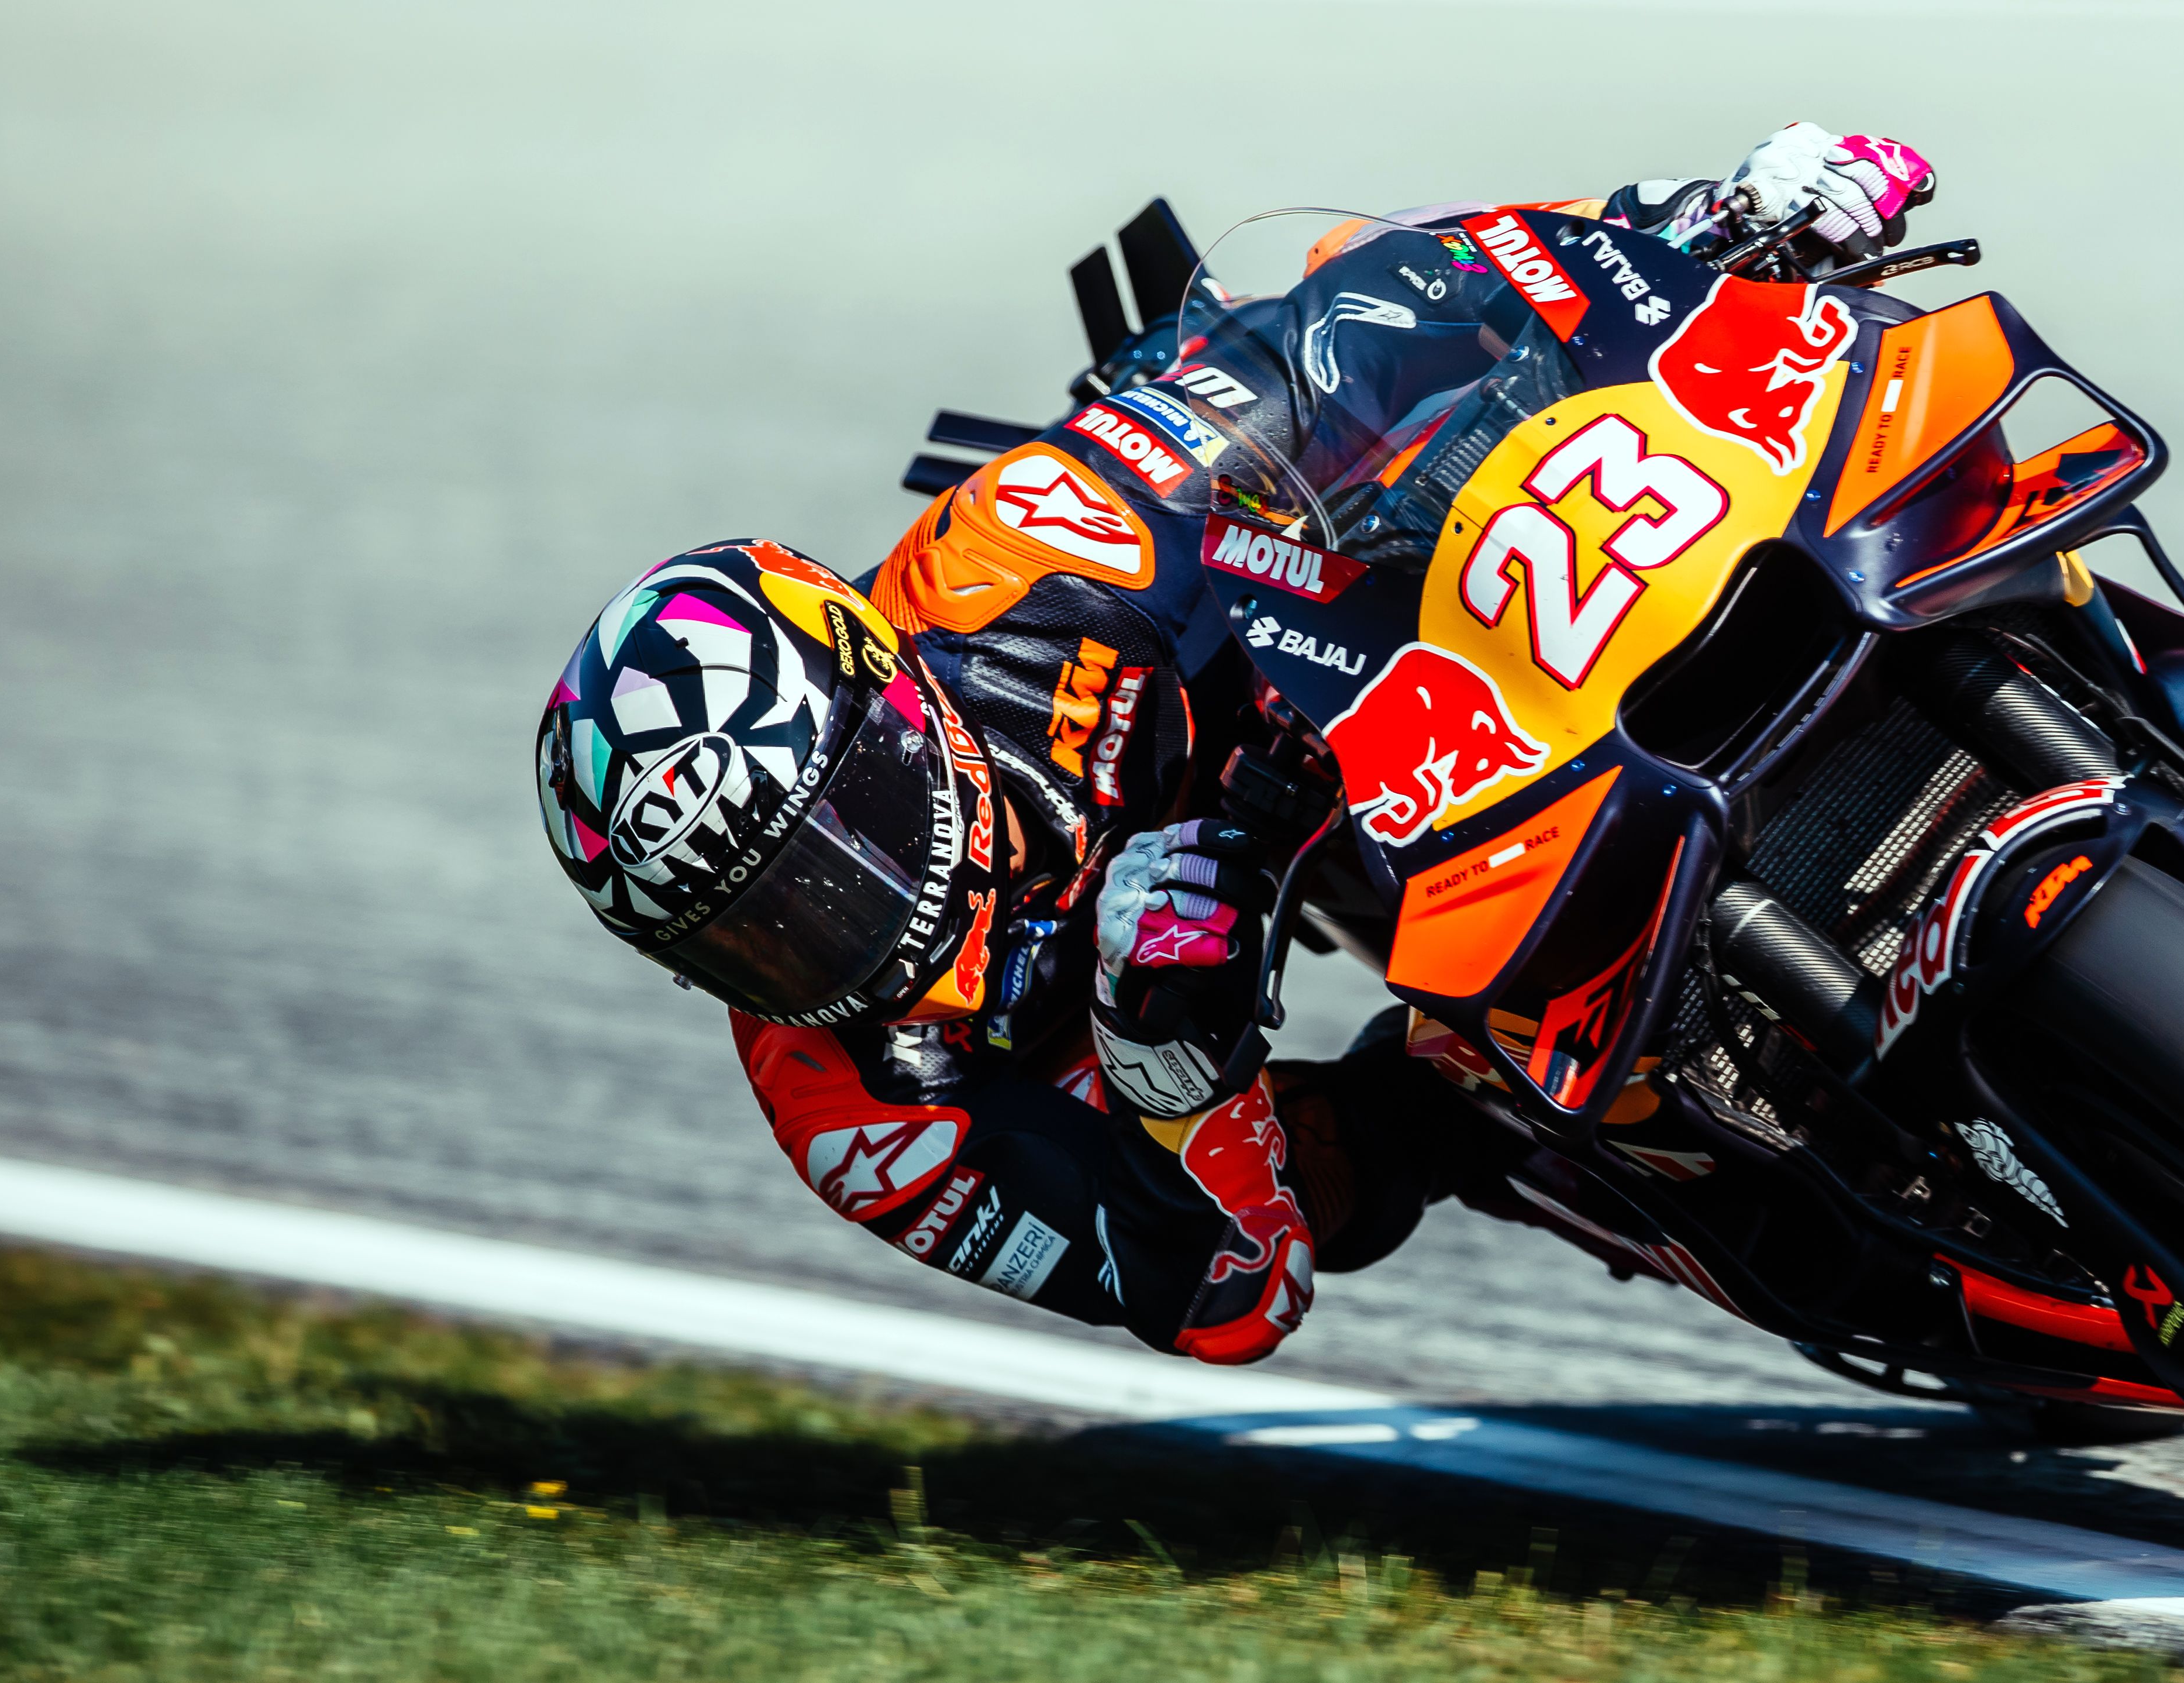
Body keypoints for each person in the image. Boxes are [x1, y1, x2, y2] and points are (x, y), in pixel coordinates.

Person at [532, 124, 1937, 1364]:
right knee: (1443, 1110)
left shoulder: (1020, 559)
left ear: (895, 704)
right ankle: (1596, 1155)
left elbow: (1337, 334)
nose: (829, 927)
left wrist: (1684, 224)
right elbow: (1226, 1302)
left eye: (834, 851)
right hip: (1273, 931)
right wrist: (1168, 1080)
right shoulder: (855, 1111)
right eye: (755, 937)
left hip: (1354, 682)